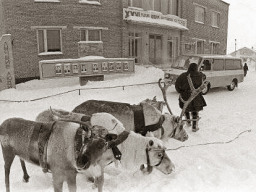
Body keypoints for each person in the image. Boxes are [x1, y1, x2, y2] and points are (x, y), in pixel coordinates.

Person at [175, 63, 207, 132]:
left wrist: (181, 91)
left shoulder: (183, 75)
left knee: (186, 108)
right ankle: (194, 126)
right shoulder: (200, 75)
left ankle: (188, 122)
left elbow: (177, 85)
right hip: (196, 96)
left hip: (185, 95)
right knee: (195, 110)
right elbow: (204, 79)